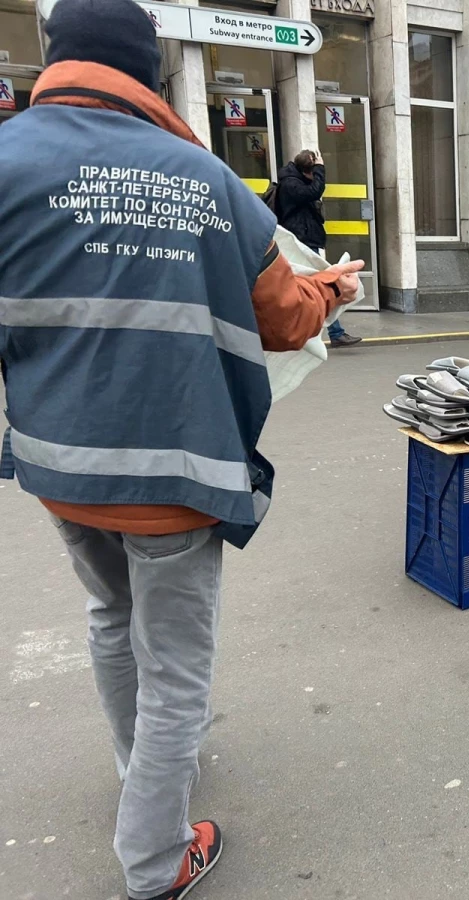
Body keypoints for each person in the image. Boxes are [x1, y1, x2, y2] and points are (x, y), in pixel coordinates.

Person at [0, 1, 364, 897]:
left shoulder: (7, 165)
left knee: (108, 620)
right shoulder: (203, 179)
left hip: (60, 466)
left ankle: (141, 782)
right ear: (150, 72)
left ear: (56, 60)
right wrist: (335, 289)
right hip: (177, 475)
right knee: (175, 672)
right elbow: (282, 319)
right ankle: (158, 858)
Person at [277, 148, 362, 347]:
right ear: (308, 171)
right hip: (301, 242)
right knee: (324, 283)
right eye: (313, 171)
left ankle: (332, 332)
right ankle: (333, 332)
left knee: (314, 285)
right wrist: (320, 168)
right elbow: (314, 191)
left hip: (303, 239)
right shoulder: (291, 183)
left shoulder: (294, 180)